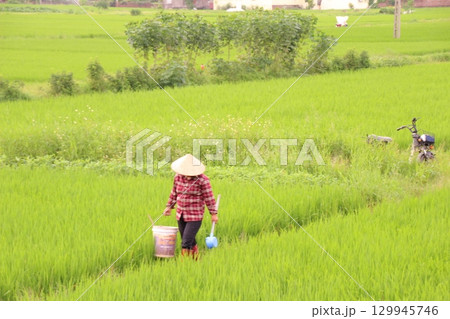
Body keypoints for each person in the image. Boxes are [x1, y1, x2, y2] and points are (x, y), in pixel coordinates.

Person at [164, 154, 218, 259]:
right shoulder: (178, 177)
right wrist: (169, 207)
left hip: (195, 215)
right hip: (181, 214)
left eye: (190, 174)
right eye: (186, 173)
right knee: (190, 239)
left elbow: (209, 197)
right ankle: (196, 260)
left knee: (186, 242)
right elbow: (174, 193)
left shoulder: (203, 180)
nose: (188, 176)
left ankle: (184, 264)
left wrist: (213, 214)